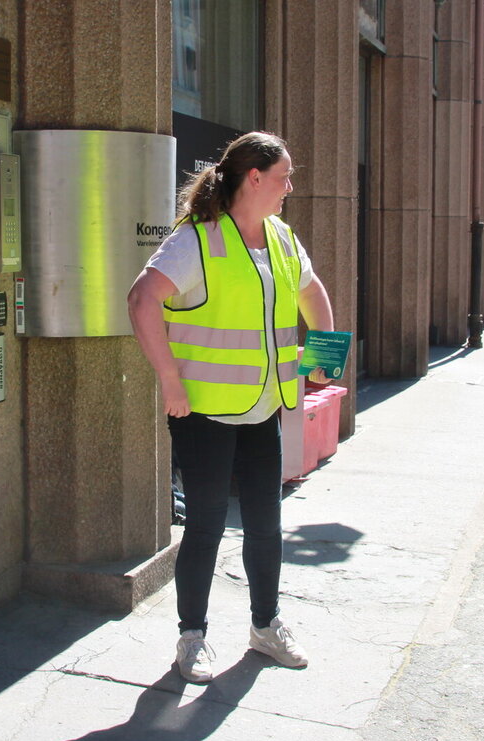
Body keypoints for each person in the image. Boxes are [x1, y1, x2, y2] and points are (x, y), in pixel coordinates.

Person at [127, 132, 335, 683]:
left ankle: (265, 627)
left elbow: (312, 293)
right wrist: (169, 380)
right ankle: (191, 638)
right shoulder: (198, 240)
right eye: (285, 176)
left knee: (267, 526)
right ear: (254, 178)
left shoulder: (283, 239)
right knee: (206, 528)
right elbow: (141, 299)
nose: (291, 187)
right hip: (204, 413)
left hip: (264, 406)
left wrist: (324, 354)